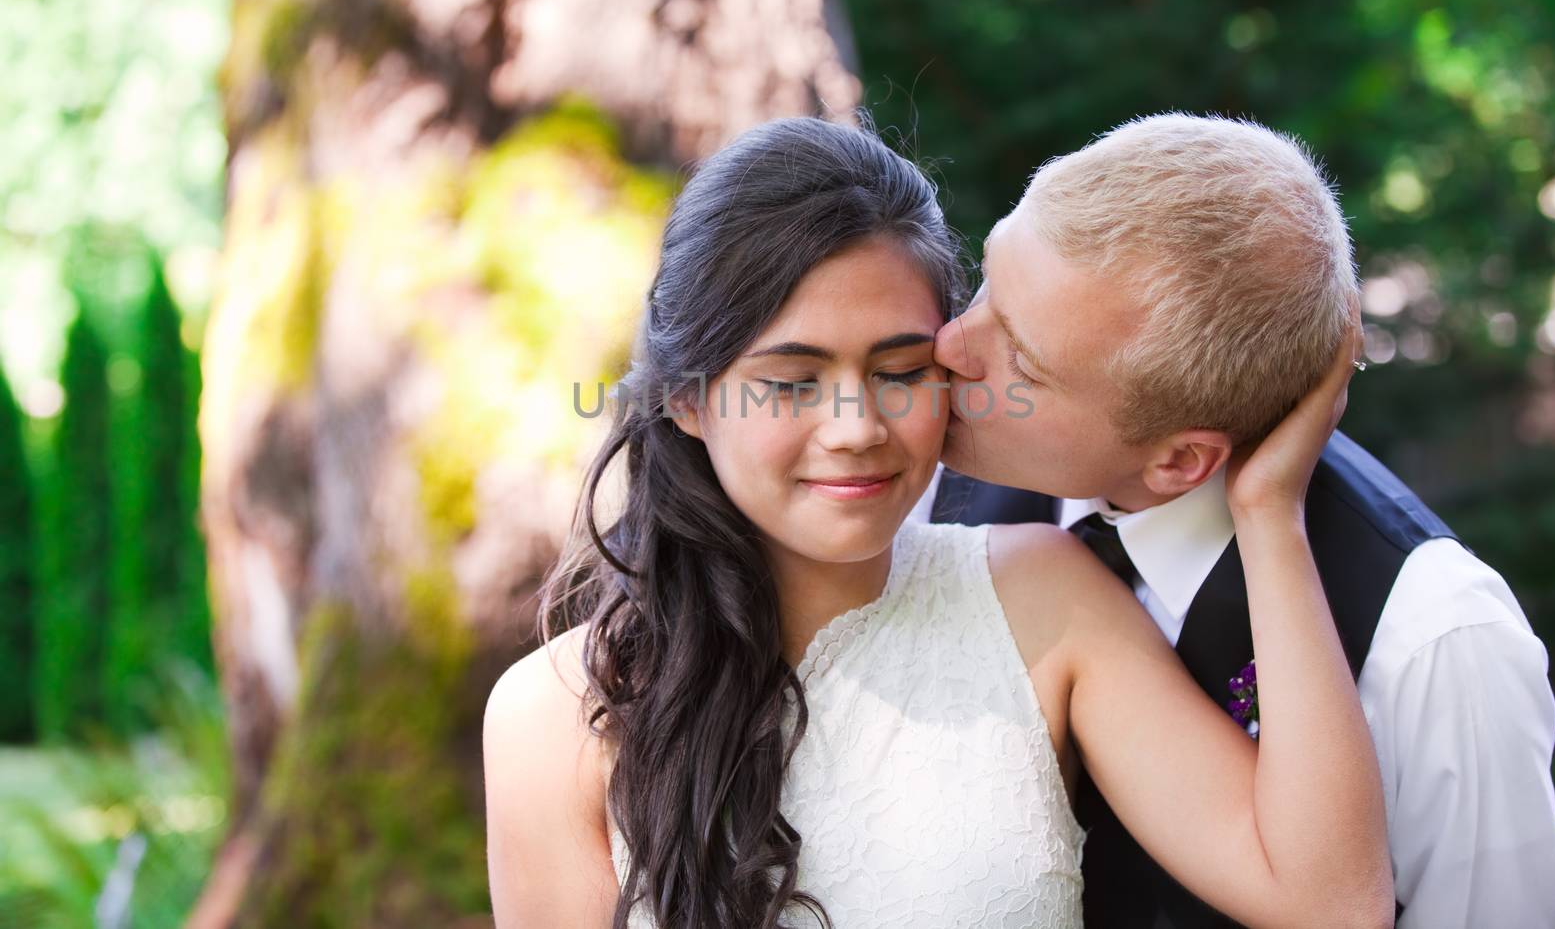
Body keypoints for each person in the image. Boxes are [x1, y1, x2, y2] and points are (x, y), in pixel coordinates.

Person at [482, 117, 1395, 929]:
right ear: (686, 397)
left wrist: (1269, 511)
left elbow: (1332, 905)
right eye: (792, 380)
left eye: (899, 367)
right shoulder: (550, 720)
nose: (855, 429)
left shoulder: (1041, 599)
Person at [911, 112, 1555, 928]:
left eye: (1020, 360)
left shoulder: (1437, 638)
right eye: (987, 282)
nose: (947, 344)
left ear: (1179, 461)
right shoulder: (919, 496)